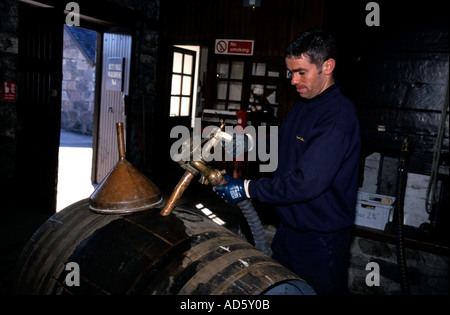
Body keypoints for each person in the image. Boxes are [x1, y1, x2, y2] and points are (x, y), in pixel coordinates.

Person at [213, 30, 361, 295]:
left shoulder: (337, 117)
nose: (294, 81)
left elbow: (306, 184)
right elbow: (284, 146)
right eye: (290, 72)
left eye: (301, 72)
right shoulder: (304, 105)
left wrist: (247, 188)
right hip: (289, 231)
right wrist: (245, 143)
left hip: (320, 239)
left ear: (327, 66)